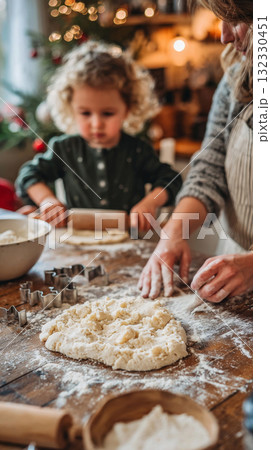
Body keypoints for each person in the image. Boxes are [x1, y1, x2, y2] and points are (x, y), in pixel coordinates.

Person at [139, 0, 253, 302]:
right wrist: (173, 233)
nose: (224, 37)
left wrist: (258, 265)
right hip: (234, 272)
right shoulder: (238, 80)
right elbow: (209, 170)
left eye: (238, 20)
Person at [15, 41, 182, 230]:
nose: (96, 124)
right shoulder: (64, 148)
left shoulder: (137, 150)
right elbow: (29, 175)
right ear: (71, 109)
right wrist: (47, 201)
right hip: (77, 244)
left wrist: (150, 203)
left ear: (127, 109)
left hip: (129, 242)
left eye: (108, 113)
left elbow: (171, 178)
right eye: (85, 113)